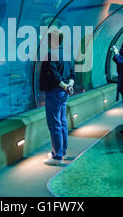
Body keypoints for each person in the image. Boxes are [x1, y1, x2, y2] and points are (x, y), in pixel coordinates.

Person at [39, 29, 76, 165]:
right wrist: (69, 86)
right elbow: (72, 73)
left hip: (55, 91)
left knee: (54, 123)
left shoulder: (51, 54)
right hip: (64, 91)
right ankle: (62, 152)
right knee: (62, 121)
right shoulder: (66, 53)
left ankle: (57, 157)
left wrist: (64, 86)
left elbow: (54, 76)